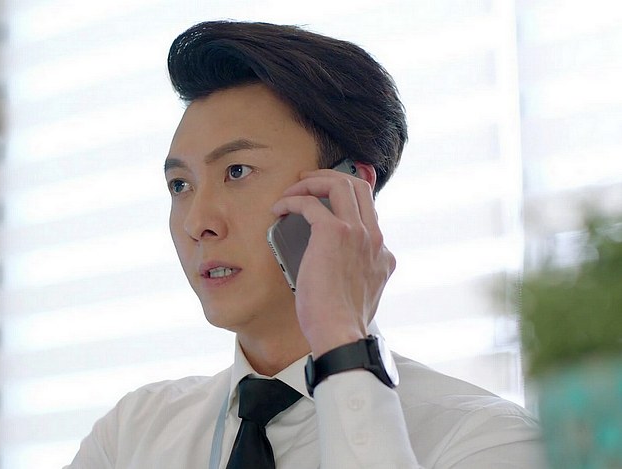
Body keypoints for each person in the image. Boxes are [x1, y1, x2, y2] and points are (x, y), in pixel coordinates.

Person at [67, 21, 544, 468]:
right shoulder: (131, 438)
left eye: (237, 171)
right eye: (180, 185)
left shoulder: (485, 438)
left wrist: (343, 343)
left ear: (347, 191)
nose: (197, 222)